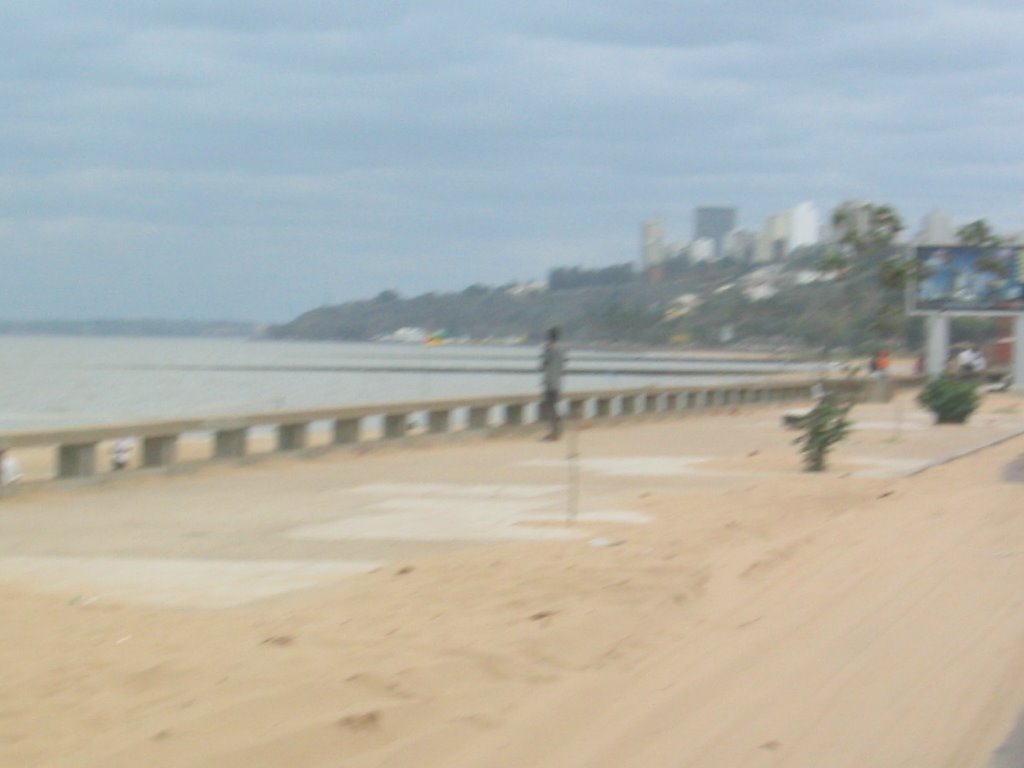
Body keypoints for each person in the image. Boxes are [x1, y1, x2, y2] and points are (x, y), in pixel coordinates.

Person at [539, 327, 566, 441]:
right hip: (558, 382)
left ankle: (554, 432)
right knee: (553, 406)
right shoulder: (562, 348)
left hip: (550, 382)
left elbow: (543, 364)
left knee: (549, 407)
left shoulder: (550, 348)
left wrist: (545, 349)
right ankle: (557, 429)